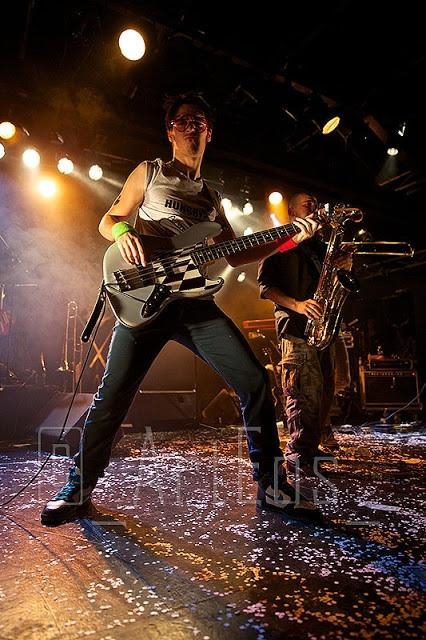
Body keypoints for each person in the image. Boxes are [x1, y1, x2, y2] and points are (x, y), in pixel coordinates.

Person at [41, 91, 322, 526]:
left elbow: (236, 254)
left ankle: (271, 486)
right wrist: (123, 233)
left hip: (195, 305)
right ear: (170, 131)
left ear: (210, 132)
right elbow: (108, 219)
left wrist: (288, 237)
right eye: (183, 120)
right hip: (146, 300)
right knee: (111, 397)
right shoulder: (150, 172)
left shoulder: (211, 197)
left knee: (254, 382)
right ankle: (78, 488)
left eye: (200, 121)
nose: (192, 126)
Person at [257, 192, 353, 483]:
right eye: (307, 203)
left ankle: (311, 449)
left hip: (323, 327)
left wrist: (342, 266)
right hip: (296, 327)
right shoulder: (280, 241)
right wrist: (298, 305)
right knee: (302, 393)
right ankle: (298, 456)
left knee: (324, 392)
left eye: (315, 202)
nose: (314, 206)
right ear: (291, 212)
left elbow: (330, 283)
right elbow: (265, 288)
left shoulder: (320, 246)